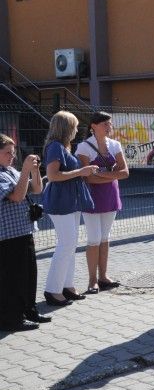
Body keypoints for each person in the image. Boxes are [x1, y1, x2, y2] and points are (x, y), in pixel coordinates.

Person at [42, 111, 98, 307]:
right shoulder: (56, 147)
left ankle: (67, 286)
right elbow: (53, 176)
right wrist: (82, 171)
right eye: (74, 126)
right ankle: (52, 290)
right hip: (60, 202)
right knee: (66, 244)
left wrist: (83, 171)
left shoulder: (62, 146)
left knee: (70, 244)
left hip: (70, 201)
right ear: (66, 128)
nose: (76, 130)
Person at [75, 112, 128, 294]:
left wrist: (100, 174)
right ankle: (92, 280)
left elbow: (125, 172)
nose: (109, 126)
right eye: (105, 123)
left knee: (105, 238)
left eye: (109, 123)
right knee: (94, 239)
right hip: (92, 198)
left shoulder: (115, 145)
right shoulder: (84, 147)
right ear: (93, 126)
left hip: (111, 196)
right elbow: (87, 178)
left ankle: (103, 276)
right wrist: (111, 175)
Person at [0, 135, 48, 331]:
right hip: (8, 237)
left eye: (13, 152)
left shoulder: (10, 171)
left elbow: (36, 189)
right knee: (13, 279)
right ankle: (12, 319)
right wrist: (26, 170)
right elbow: (18, 196)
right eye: (7, 153)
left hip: (24, 231)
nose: (12, 156)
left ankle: (29, 310)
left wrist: (34, 171)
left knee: (29, 275)